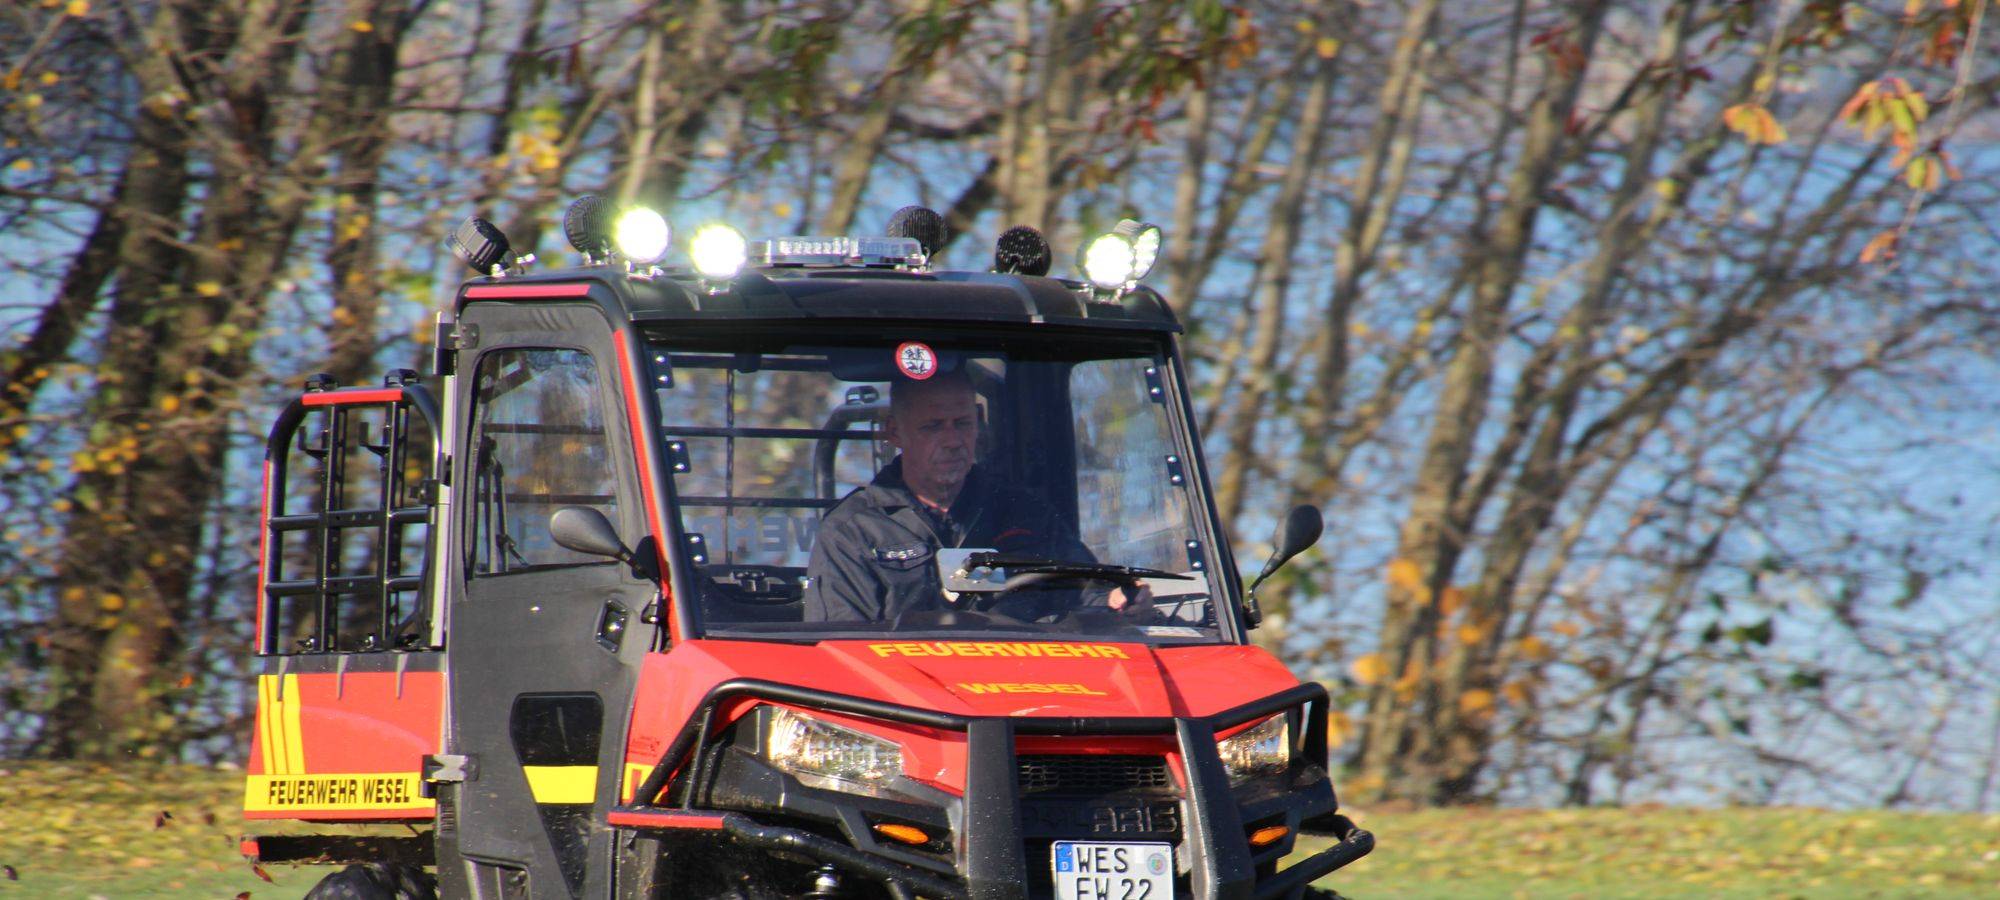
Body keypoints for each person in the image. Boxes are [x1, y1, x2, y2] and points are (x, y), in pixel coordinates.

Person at [803, 368, 1153, 623]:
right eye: (933, 426)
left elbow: (1087, 596)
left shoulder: (1025, 514)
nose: (952, 441)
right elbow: (841, 651)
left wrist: (1121, 601)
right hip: (901, 700)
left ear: (978, 421)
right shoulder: (853, 531)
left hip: (1022, 685)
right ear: (894, 432)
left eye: (962, 423)